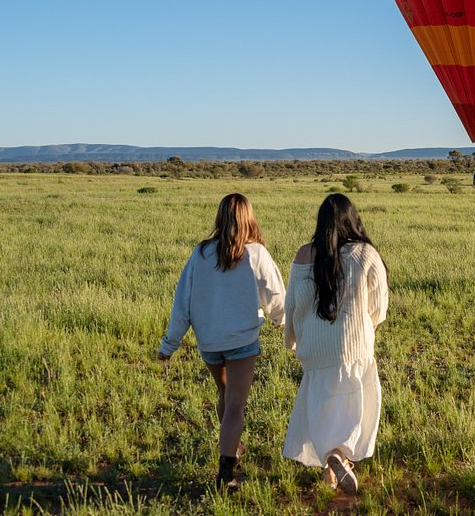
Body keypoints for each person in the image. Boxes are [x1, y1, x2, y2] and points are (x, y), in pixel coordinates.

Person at [158, 193, 286, 491]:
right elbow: (276, 295)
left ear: (220, 218)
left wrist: (169, 344)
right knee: (235, 405)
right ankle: (226, 474)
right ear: (249, 218)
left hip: (209, 342)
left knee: (226, 397)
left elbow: (182, 303)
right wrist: (282, 323)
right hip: (242, 340)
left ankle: (235, 446)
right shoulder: (255, 253)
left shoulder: (200, 254)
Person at [283, 193, 388, 494]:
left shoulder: (303, 255)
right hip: (354, 344)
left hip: (315, 349)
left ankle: (331, 462)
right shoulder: (365, 253)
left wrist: (292, 339)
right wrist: (368, 327)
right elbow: (379, 305)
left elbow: (291, 304)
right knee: (353, 404)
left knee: (323, 405)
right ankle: (339, 455)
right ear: (353, 220)